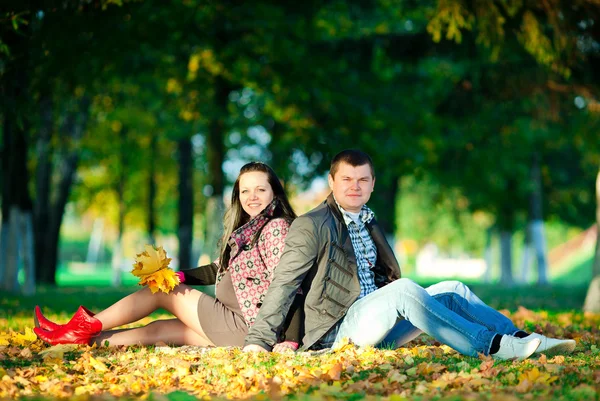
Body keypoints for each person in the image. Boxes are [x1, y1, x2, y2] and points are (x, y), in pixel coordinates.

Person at [243, 150, 576, 360]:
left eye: (362, 180)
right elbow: (284, 284)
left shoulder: (368, 220)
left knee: (454, 289)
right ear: (332, 182)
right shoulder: (312, 225)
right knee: (404, 291)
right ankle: (492, 347)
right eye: (346, 179)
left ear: (372, 184)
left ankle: (519, 337)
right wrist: (259, 340)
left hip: (380, 321)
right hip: (337, 330)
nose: (354, 186)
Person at [34, 162, 303, 351]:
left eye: (260, 190)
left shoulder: (276, 228)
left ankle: (78, 328)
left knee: (163, 292)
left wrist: (289, 339)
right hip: (234, 322)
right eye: (245, 191)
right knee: (159, 329)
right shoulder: (251, 229)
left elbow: (289, 285)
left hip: (248, 326)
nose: (251, 197)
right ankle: (74, 338)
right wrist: (182, 275)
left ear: (274, 193)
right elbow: (219, 269)